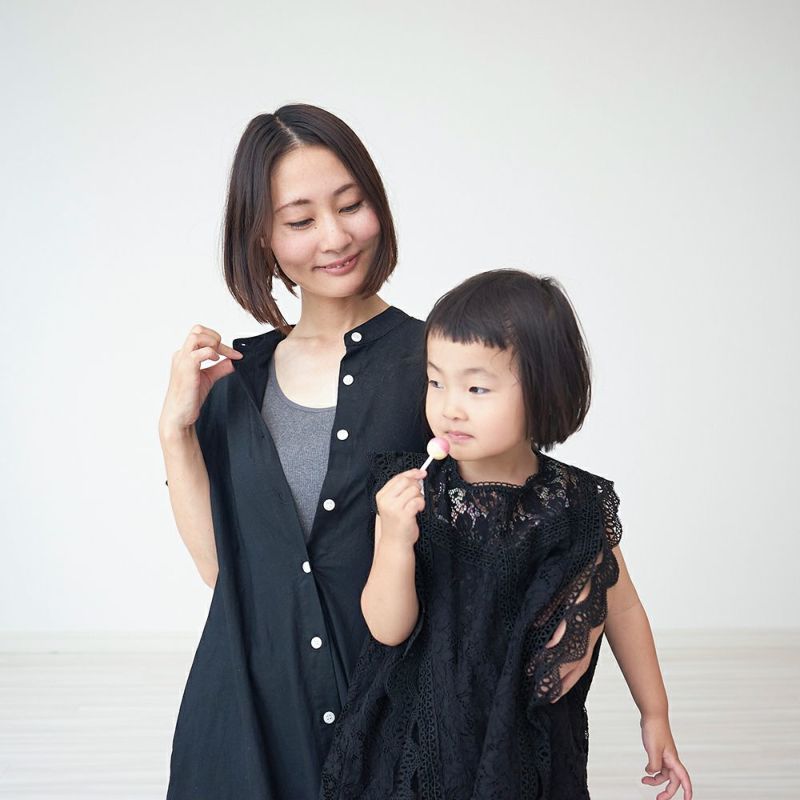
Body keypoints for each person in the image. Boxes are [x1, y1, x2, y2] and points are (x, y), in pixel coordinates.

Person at [320, 269, 693, 799]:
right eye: (436, 382)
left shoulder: (575, 503)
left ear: (543, 391)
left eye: (476, 387)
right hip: (419, 739)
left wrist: (654, 713)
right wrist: (395, 541)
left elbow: (623, 607)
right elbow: (387, 629)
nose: (450, 406)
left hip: (520, 742)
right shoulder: (410, 495)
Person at [158, 104, 429, 799]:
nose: (335, 237)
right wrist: (176, 433)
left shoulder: (437, 361)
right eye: (301, 220)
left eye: (351, 205)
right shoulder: (235, 378)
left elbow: (520, 513)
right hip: (248, 719)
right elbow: (223, 573)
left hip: (393, 715)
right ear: (263, 238)